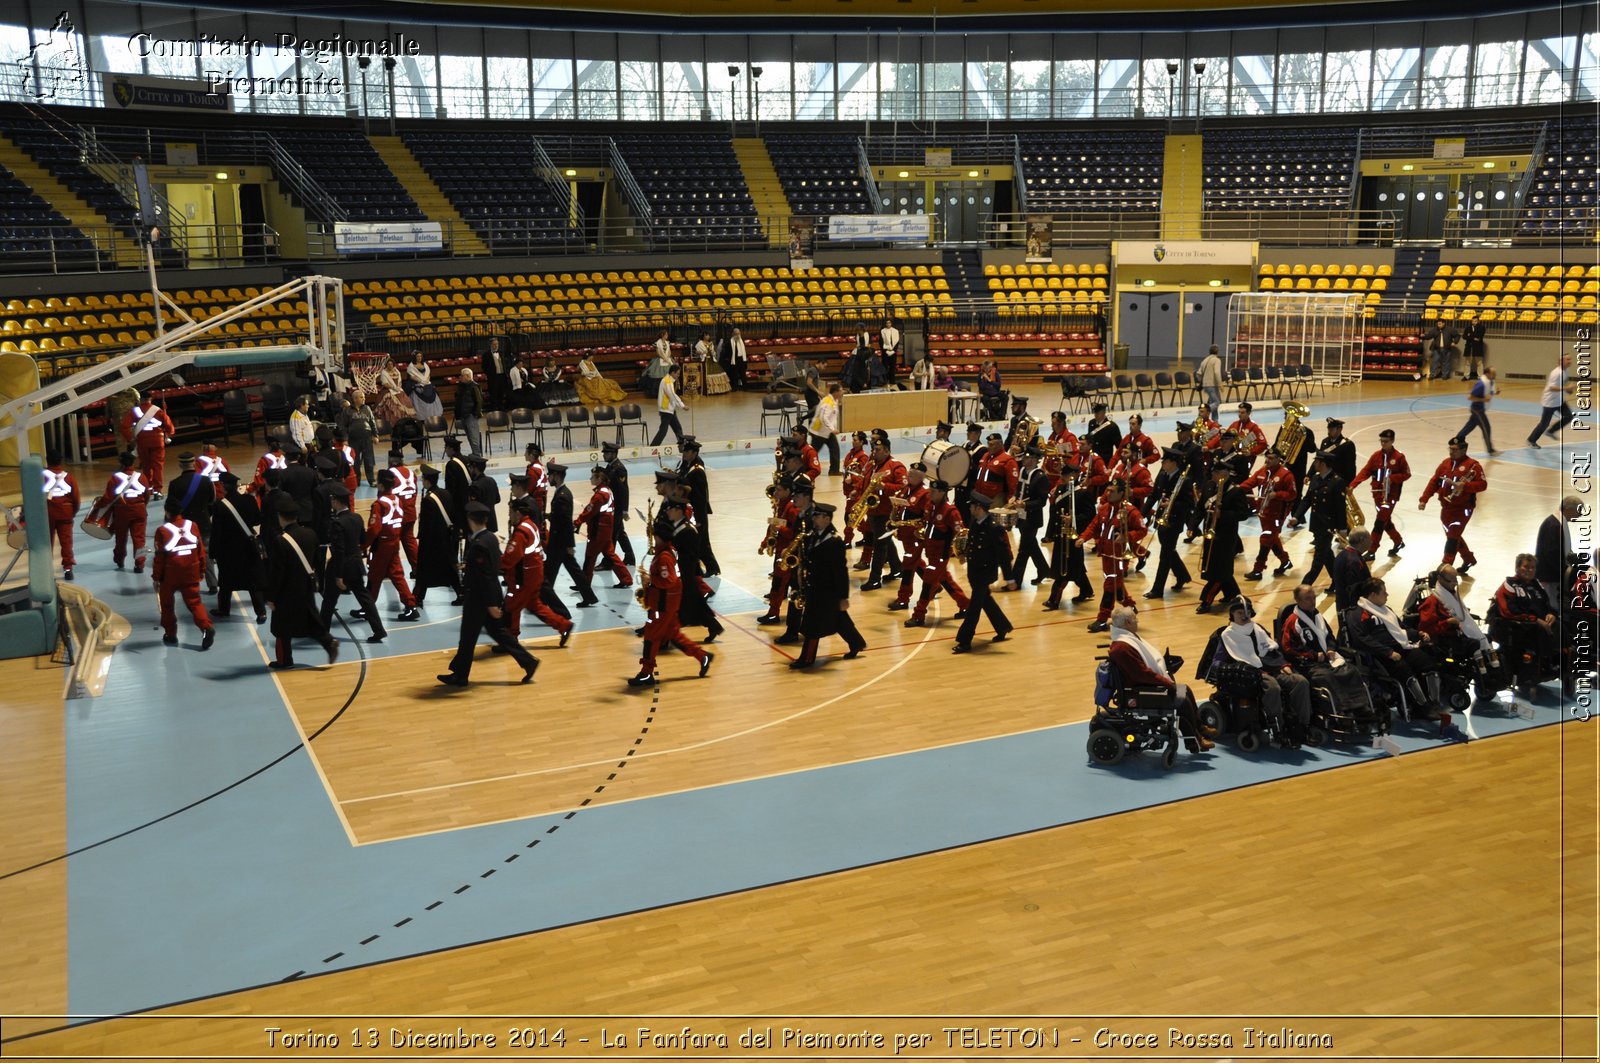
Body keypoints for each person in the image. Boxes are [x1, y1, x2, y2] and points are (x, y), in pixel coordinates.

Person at [439, 502, 539, 687]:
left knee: (468, 637)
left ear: (471, 520)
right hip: (486, 597)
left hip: (479, 598)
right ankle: (528, 661)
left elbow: (486, 576)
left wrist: (491, 604)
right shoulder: (490, 539)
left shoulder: (479, 545)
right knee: (498, 633)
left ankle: (460, 675)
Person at [1105, 607, 1213, 753]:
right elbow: (1141, 674)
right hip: (1140, 690)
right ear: (1128, 622)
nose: (1137, 622)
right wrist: (1166, 682)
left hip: (1143, 684)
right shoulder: (1122, 648)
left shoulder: (1126, 640)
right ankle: (1195, 740)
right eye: (1135, 619)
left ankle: (1199, 728)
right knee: (1182, 701)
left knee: (1185, 689)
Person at [1215, 597, 1311, 746]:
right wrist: (1245, 670)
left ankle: (1302, 725)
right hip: (1250, 675)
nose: (1244, 616)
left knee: (1300, 682)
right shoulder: (1227, 635)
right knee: (1272, 687)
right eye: (1240, 612)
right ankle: (1278, 728)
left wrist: (1283, 664)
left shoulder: (1258, 628)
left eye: (1246, 612)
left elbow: (1272, 649)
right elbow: (1218, 663)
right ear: (1232, 614)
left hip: (1271, 668)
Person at [630, 516, 713, 685]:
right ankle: (702, 656)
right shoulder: (668, 551)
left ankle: (646, 673)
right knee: (672, 634)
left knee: (651, 637)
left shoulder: (664, 557)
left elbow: (668, 581)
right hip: (668, 602)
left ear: (660, 537)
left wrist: (650, 580)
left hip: (663, 604)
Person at [1347, 577, 1445, 718]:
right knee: (1406, 672)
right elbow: (1361, 639)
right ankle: (1421, 707)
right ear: (1373, 595)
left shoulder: (1386, 610)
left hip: (1401, 647)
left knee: (1428, 664)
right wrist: (1387, 652)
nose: (1387, 595)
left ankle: (1434, 702)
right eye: (1384, 593)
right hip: (1381, 655)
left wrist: (1418, 634)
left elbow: (1401, 629)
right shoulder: (1357, 614)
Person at [790, 502, 867, 668]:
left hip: (827, 590)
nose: (814, 519)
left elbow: (840, 572)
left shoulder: (834, 542)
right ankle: (857, 643)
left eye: (817, 516)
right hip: (813, 586)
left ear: (826, 519)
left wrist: (843, 597)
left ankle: (807, 658)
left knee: (812, 625)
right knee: (839, 619)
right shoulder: (812, 535)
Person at [1278, 584, 1372, 719]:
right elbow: (1288, 648)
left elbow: (1330, 637)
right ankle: (1342, 710)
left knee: (1350, 671)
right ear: (1298, 601)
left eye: (1313, 597)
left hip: (1327, 659)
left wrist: (1330, 649)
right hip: (1309, 664)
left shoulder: (1318, 616)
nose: (1312, 601)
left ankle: (1360, 707)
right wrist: (1314, 655)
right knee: (1327, 677)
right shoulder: (1292, 621)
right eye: (1307, 598)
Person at [500, 495, 573, 646]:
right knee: (535, 606)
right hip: (534, 573)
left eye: (510, 512)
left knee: (512, 605)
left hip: (524, 577)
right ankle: (564, 625)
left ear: (517, 513)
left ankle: (511, 640)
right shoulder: (531, 525)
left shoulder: (521, 532)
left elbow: (511, 558)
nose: (509, 515)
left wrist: (496, 564)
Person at [320, 483, 385, 644]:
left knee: (328, 600)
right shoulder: (356, 518)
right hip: (355, 565)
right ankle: (379, 630)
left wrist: (339, 575)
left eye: (333, 500)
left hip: (340, 567)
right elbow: (362, 540)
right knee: (365, 599)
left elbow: (339, 551)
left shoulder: (337, 523)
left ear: (338, 502)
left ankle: (322, 632)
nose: (332, 503)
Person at [902, 478, 971, 627]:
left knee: (927, 584)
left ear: (942, 493)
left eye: (933, 491)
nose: (930, 493)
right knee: (945, 579)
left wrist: (961, 554)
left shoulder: (951, 511)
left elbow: (962, 533)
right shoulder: (930, 505)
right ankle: (965, 604)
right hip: (930, 550)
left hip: (940, 555)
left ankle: (918, 615)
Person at [152, 495, 216, 651]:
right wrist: (200, 570)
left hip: (170, 575)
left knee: (167, 606)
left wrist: (156, 578)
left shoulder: (162, 531)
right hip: (191, 571)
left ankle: (171, 634)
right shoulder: (192, 525)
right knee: (194, 603)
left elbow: (159, 557)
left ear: (167, 512)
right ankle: (206, 627)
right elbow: (200, 551)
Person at [1491, 553, 1561, 695]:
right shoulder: (1509, 586)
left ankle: (1557, 662)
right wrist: (1535, 620)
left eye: (1532, 568)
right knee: (1538, 630)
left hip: (1538, 623)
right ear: (1517, 568)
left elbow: (1546, 605)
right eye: (1526, 567)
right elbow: (1508, 612)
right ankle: (1540, 667)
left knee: (1561, 625)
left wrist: (1551, 615)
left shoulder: (1536, 585)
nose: (1529, 570)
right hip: (1515, 625)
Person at [1417, 436, 1488, 575]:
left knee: (1452, 537)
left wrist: (1465, 485)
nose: (1451, 452)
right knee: (1453, 537)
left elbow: (1483, 485)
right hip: (1446, 508)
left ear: (1464, 449)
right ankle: (1469, 559)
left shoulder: (1473, 465)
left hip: (1463, 509)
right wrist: (1424, 499)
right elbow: (1434, 482)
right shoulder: (1445, 464)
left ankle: (1444, 568)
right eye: (1450, 449)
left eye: (1454, 449)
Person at [953, 492, 1013, 653]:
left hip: (985, 572)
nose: (970, 508)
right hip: (974, 570)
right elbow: (972, 543)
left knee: (974, 607)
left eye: (972, 506)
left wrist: (1010, 578)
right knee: (985, 599)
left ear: (978, 508)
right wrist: (964, 554)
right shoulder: (975, 521)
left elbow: (1003, 555)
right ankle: (1003, 626)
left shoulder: (994, 528)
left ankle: (965, 640)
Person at [1082, 481, 1146, 633]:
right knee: (1116, 584)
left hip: (1120, 555)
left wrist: (1127, 536)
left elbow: (1142, 529)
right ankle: (1130, 606)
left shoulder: (1131, 511)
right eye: (1107, 490)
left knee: (1110, 586)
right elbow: (1093, 525)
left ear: (1121, 493)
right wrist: (1083, 538)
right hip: (1106, 553)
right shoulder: (1104, 509)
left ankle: (1102, 619)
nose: (1108, 494)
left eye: (1112, 491)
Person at [362, 469, 421, 623]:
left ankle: (367, 608)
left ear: (380, 485)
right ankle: (411, 605)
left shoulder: (379, 504)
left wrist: (363, 546)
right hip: (394, 542)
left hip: (382, 545)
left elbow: (374, 529)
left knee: (374, 576)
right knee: (397, 575)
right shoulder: (397, 499)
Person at [1197, 457, 1251, 614]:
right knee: (1220, 569)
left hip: (1226, 537)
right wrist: (1193, 527)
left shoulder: (1235, 491)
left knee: (1218, 572)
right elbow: (1201, 508)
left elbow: (1243, 514)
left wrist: (1224, 514)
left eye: (1216, 472)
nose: (1213, 475)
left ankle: (1206, 600)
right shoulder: (1209, 486)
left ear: (1225, 474)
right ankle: (1234, 595)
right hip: (1210, 534)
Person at [663, 496, 721, 641]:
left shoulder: (687, 530)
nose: (668, 512)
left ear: (679, 511)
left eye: (671, 509)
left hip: (686, 575)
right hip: (684, 575)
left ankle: (666, 636)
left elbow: (689, 557)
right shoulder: (678, 526)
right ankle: (713, 626)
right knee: (695, 607)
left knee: (687, 606)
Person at [1289, 450, 1348, 592]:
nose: (1314, 464)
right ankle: (1339, 583)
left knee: (1318, 560)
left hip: (1328, 526)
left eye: (1317, 461)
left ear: (1323, 464)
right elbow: (1307, 500)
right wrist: (1296, 517)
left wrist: (1343, 529)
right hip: (1316, 523)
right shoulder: (1316, 479)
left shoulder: (1337, 482)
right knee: (1327, 555)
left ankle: (1304, 587)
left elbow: (1340, 508)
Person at [210, 471, 265, 622]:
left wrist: (213, 552)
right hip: (249, 547)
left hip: (228, 551)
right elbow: (256, 521)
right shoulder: (249, 500)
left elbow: (216, 532)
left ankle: (224, 610)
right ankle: (261, 613)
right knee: (254, 582)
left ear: (222, 486)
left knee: (226, 582)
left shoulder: (220, 506)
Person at [1352, 428, 1410, 559]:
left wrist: (1392, 478)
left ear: (1392, 441)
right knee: (1386, 522)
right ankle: (1398, 542)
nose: (1383, 444)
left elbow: (1407, 474)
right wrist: (1353, 485)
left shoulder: (1399, 457)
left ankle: (1372, 550)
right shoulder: (1376, 456)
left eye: (1386, 441)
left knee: (1379, 522)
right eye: (1381, 441)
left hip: (1391, 496)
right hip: (1377, 495)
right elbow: (1365, 471)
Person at [859, 436, 907, 590]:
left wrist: (884, 487)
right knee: (885, 541)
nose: (874, 452)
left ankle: (874, 579)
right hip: (873, 510)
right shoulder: (873, 465)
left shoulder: (896, 466)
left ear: (887, 450)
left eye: (878, 450)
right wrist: (857, 491)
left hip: (885, 512)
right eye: (873, 449)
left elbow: (903, 488)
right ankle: (897, 568)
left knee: (879, 545)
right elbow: (866, 482)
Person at [1144, 449, 1194, 599]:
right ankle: (1183, 575)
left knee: (1165, 555)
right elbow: (1154, 496)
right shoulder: (1162, 475)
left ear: (1173, 462)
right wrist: (1142, 513)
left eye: (1165, 461)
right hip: (1162, 519)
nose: (1162, 463)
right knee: (1169, 550)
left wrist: (1171, 504)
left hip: (1174, 521)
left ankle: (1157, 589)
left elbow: (1189, 503)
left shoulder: (1185, 480)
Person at [545, 463, 596, 607]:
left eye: (550, 475)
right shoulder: (562, 492)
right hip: (560, 541)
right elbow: (559, 517)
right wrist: (549, 516)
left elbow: (566, 522)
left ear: (556, 476)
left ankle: (543, 600)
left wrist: (570, 545)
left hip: (559, 542)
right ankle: (589, 596)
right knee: (573, 571)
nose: (548, 478)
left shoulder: (562, 495)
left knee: (549, 572)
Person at [576, 464, 633, 590]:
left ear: (599, 479)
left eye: (592, 477)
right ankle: (626, 579)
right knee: (610, 556)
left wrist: (577, 522)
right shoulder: (606, 491)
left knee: (590, 558)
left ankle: (584, 584)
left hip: (598, 532)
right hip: (605, 530)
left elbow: (589, 511)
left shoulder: (600, 495)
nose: (590, 479)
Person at [1241, 449, 1296, 580]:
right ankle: (1285, 561)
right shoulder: (1262, 471)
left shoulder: (1286, 475)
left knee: (1266, 539)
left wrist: (1276, 495)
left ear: (1278, 459)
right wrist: (1236, 489)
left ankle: (1258, 570)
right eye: (1267, 457)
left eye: (1271, 458)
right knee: (1272, 538)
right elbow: (1249, 483)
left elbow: (1292, 494)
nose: (1267, 460)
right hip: (1263, 512)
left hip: (1276, 514)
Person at [412, 465, 462, 606]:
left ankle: (418, 598)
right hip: (446, 539)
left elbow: (427, 526)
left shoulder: (428, 500)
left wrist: (422, 542)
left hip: (432, 541)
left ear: (427, 481)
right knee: (450, 569)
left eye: (423, 478)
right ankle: (461, 593)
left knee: (423, 571)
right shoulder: (446, 494)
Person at [1007, 447, 1051, 589]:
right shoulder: (1023, 471)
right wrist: (1014, 498)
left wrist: (1025, 504)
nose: (1023, 460)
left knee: (1023, 550)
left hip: (1032, 518)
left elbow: (1042, 501)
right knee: (1031, 546)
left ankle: (1015, 581)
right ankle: (1044, 570)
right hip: (1021, 517)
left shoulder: (1040, 477)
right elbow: (1019, 489)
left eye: (1026, 458)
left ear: (1033, 460)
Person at [677, 438, 720, 578]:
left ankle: (705, 568)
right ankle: (712, 567)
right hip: (691, 510)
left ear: (694, 453)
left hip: (697, 511)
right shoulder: (689, 465)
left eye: (687, 451)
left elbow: (701, 497)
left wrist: (699, 518)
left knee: (699, 542)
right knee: (702, 542)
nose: (684, 453)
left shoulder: (697, 470)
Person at [102, 450, 150, 574]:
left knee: (121, 538)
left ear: (121, 464)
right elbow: (147, 495)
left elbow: (108, 497)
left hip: (122, 511)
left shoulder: (115, 478)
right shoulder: (142, 477)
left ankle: (119, 560)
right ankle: (140, 564)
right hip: (139, 510)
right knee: (140, 539)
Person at [123, 393, 174, 501]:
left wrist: (130, 439)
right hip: (157, 442)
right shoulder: (158, 410)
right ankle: (158, 491)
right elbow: (169, 425)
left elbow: (125, 426)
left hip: (142, 442)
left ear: (140, 400)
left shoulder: (135, 411)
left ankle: (148, 488)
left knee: (146, 466)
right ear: (150, 399)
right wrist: (169, 434)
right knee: (158, 467)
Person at [1535, 495, 1583, 609]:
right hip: (1550, 577)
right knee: (1551, 606)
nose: (1580, 515)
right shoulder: (1554, 525)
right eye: (1578, 510)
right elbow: (1551, 554)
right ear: (1568, 509)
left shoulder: (1558, 522)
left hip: (1552, 574)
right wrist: (1566, 572)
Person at [42, 450, 79, 580]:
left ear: (47, 460)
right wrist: (72, 513)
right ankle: (68, 569)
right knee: (66, 543)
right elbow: (76, 499)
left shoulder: (41, 476)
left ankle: (46, 569)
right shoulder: (69, 477)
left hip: (47, 513)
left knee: (47, 543)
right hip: (65, 513)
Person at [1528, 354, 1575, 448]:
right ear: (1561, 361)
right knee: (1544, 424)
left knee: (1569, 416)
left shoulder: (1566, 371)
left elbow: (1564, 384)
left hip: (1559, 400)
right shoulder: (1556, 373)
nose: (1570, 361)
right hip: (1550, 402)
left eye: (1570, 359)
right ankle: (1531, 440)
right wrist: (1566, 388)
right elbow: (1552, 388)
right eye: (1567, 359)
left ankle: (1551, 431)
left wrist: (1569, 390)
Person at [601, 440, 635, 567]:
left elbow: (623, 491)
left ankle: (608, 561)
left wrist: (624, 510)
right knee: (619, 532)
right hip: (613, 506)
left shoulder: (619, 469)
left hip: (617, 508)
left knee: (611, 535)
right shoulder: (610, 467)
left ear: (614, 454)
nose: (604, 455)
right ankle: (630, 556)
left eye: (607, 453)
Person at [336, 391, 378, 487]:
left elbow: (372, 422)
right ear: (355, 399)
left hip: (366, 438)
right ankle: (357, 481)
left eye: (363, 397)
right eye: (362, 397)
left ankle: (371, 480)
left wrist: (375, 435)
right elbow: (343, 426)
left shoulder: (367, 408)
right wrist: (345, 439)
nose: (364, 399)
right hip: (353, 439)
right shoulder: (347, 411)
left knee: (369, 460)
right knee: (355, 462)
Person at [1456, 366, 1499, 456]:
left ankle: (1457, 440)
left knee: (1469, 426)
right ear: (1487, 374)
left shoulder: (1490, 382)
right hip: (1477, 409)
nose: (1495, 375)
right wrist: (1483, 400)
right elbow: (1470, 397)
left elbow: (1488, 393)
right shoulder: (1481, 384)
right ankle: (1490, 449)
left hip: (1481, 409)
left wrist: (1495, 393)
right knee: (1486, 427)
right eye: (1493, 373)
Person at [1331, 528, 1373, 616]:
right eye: (1369, 539)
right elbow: (1353, 589)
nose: (1371, 542)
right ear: (1362, 540)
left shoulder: (1342, 555)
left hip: (1343, 605)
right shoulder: (1354, 561)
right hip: (1352, 609)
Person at [808, 383, 843, 475]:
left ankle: (834, 471)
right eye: (841, 390)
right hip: (819, 432)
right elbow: (823, 417)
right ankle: (804, 468)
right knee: (812, 452)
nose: (842, 392)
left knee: (835, 449)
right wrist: (832, 429)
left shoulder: (834, 400)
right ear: (835, 392)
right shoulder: (828, 402)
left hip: (826, 432)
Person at [651, 366, 687, 446]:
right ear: (672, 373)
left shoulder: (669, 380)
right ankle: (653, 446)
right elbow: (672, 395)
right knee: (663, 431)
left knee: (677, 428)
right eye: (677, 373)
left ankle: (682, 444)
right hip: (666, 409)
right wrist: (682, 405)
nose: (678, 375)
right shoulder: (667, 381)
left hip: (670, 409)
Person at [373, 356, 414, 425]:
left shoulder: (397, 371)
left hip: (397, 390)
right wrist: (393, 388)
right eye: (388, 364)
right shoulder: (384, 373)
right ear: (386, 365)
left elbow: (399, 381)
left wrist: (398, 388)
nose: (390, 365)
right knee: (389, 403)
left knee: (405, 401)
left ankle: (405, 422)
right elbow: (385, 384)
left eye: (391, 364)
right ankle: (390, 423)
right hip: (388, 390)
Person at [406, 350, 444, 420]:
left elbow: (428, 374)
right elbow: (411, 377)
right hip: (418, 385)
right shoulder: (411, 366)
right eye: (418, 356)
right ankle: (422, 418)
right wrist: (420, 380)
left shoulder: (425, 364)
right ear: (415, 357)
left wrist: (426, 380)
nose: (419, 358)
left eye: (421, 356)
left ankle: (433, 416)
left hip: (427, 384)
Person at [454, 368, 484, 456]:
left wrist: (475, 414)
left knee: (474, 437)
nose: (460, 377)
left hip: (471, 416)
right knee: (469, 437)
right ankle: (474, 453)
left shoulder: (474, 386)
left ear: (468, 376)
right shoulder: (461, 386)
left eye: (462, 375)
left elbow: (479, 401)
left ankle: (477, 454)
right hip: (463, 415)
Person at [1197, 344, 1224, 409]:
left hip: (1206, 385)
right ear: (1217, 352)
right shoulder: (1217, 360)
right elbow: (1217, 373)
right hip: (1212, 385)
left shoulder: (1204, 360)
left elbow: (1198, 373)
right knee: (1217, 403)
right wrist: (1220, 385)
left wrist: (1202, 381)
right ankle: (1203, 411)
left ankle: (1215, 419)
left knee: (1213, 402)